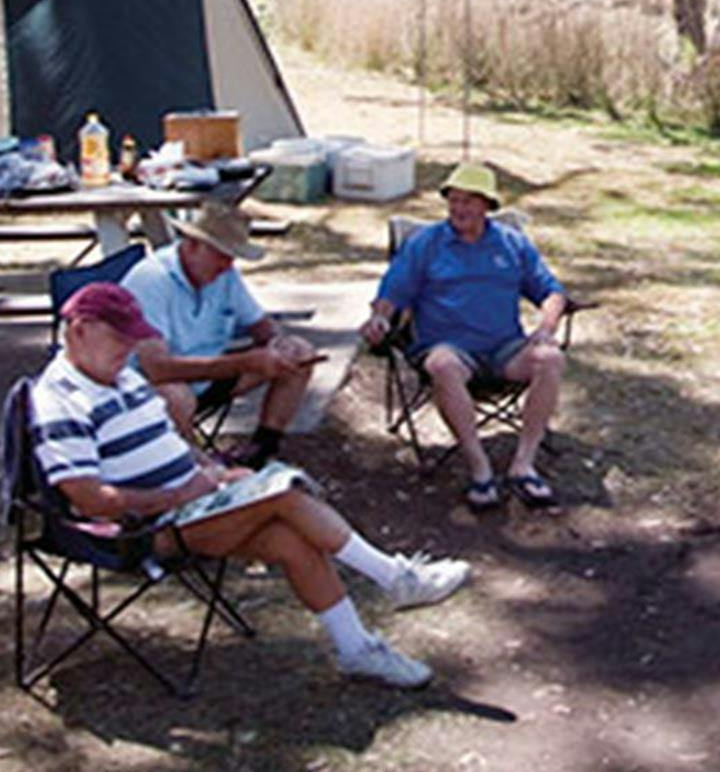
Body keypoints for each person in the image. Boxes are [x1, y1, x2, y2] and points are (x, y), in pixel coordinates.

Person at [29, 281, 470, 686]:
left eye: (132, 339)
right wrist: (179, 494)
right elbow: (88, 498)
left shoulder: (123, 376)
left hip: (193, 502)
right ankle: (394, 577)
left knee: (287, 539)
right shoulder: (60, 399)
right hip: (143, 529)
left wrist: (216, 471)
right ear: (81, 330)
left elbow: (171, 445)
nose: (129, 349)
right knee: (283, 494)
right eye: (119, 338)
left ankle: (357, 649)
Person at [362, 161, 569, 512]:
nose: (458, 209)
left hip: (503, 348)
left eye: (468, 201)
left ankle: (524, 464)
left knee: (551, 359)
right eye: (453, 200)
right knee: (442, 364)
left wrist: (546, 330)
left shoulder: (511, 244)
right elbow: (392, 292)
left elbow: (552, 293)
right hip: (447, 348)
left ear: (488, 205)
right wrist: (380, 318)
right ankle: (479, 467)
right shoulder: (426, 243)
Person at [125, 198, 311, 467]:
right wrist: (244, 362)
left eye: (231, 257)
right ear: (191, 246)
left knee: (301, 353)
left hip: (209, 374)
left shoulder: (225, 275)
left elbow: (260, 324)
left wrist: (278, 344)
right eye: (221, 255)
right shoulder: (152, 280)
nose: (227, 265)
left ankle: (261, 449)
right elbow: (157, 368)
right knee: (175, 396)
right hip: (149, 387)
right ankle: (186, 468)